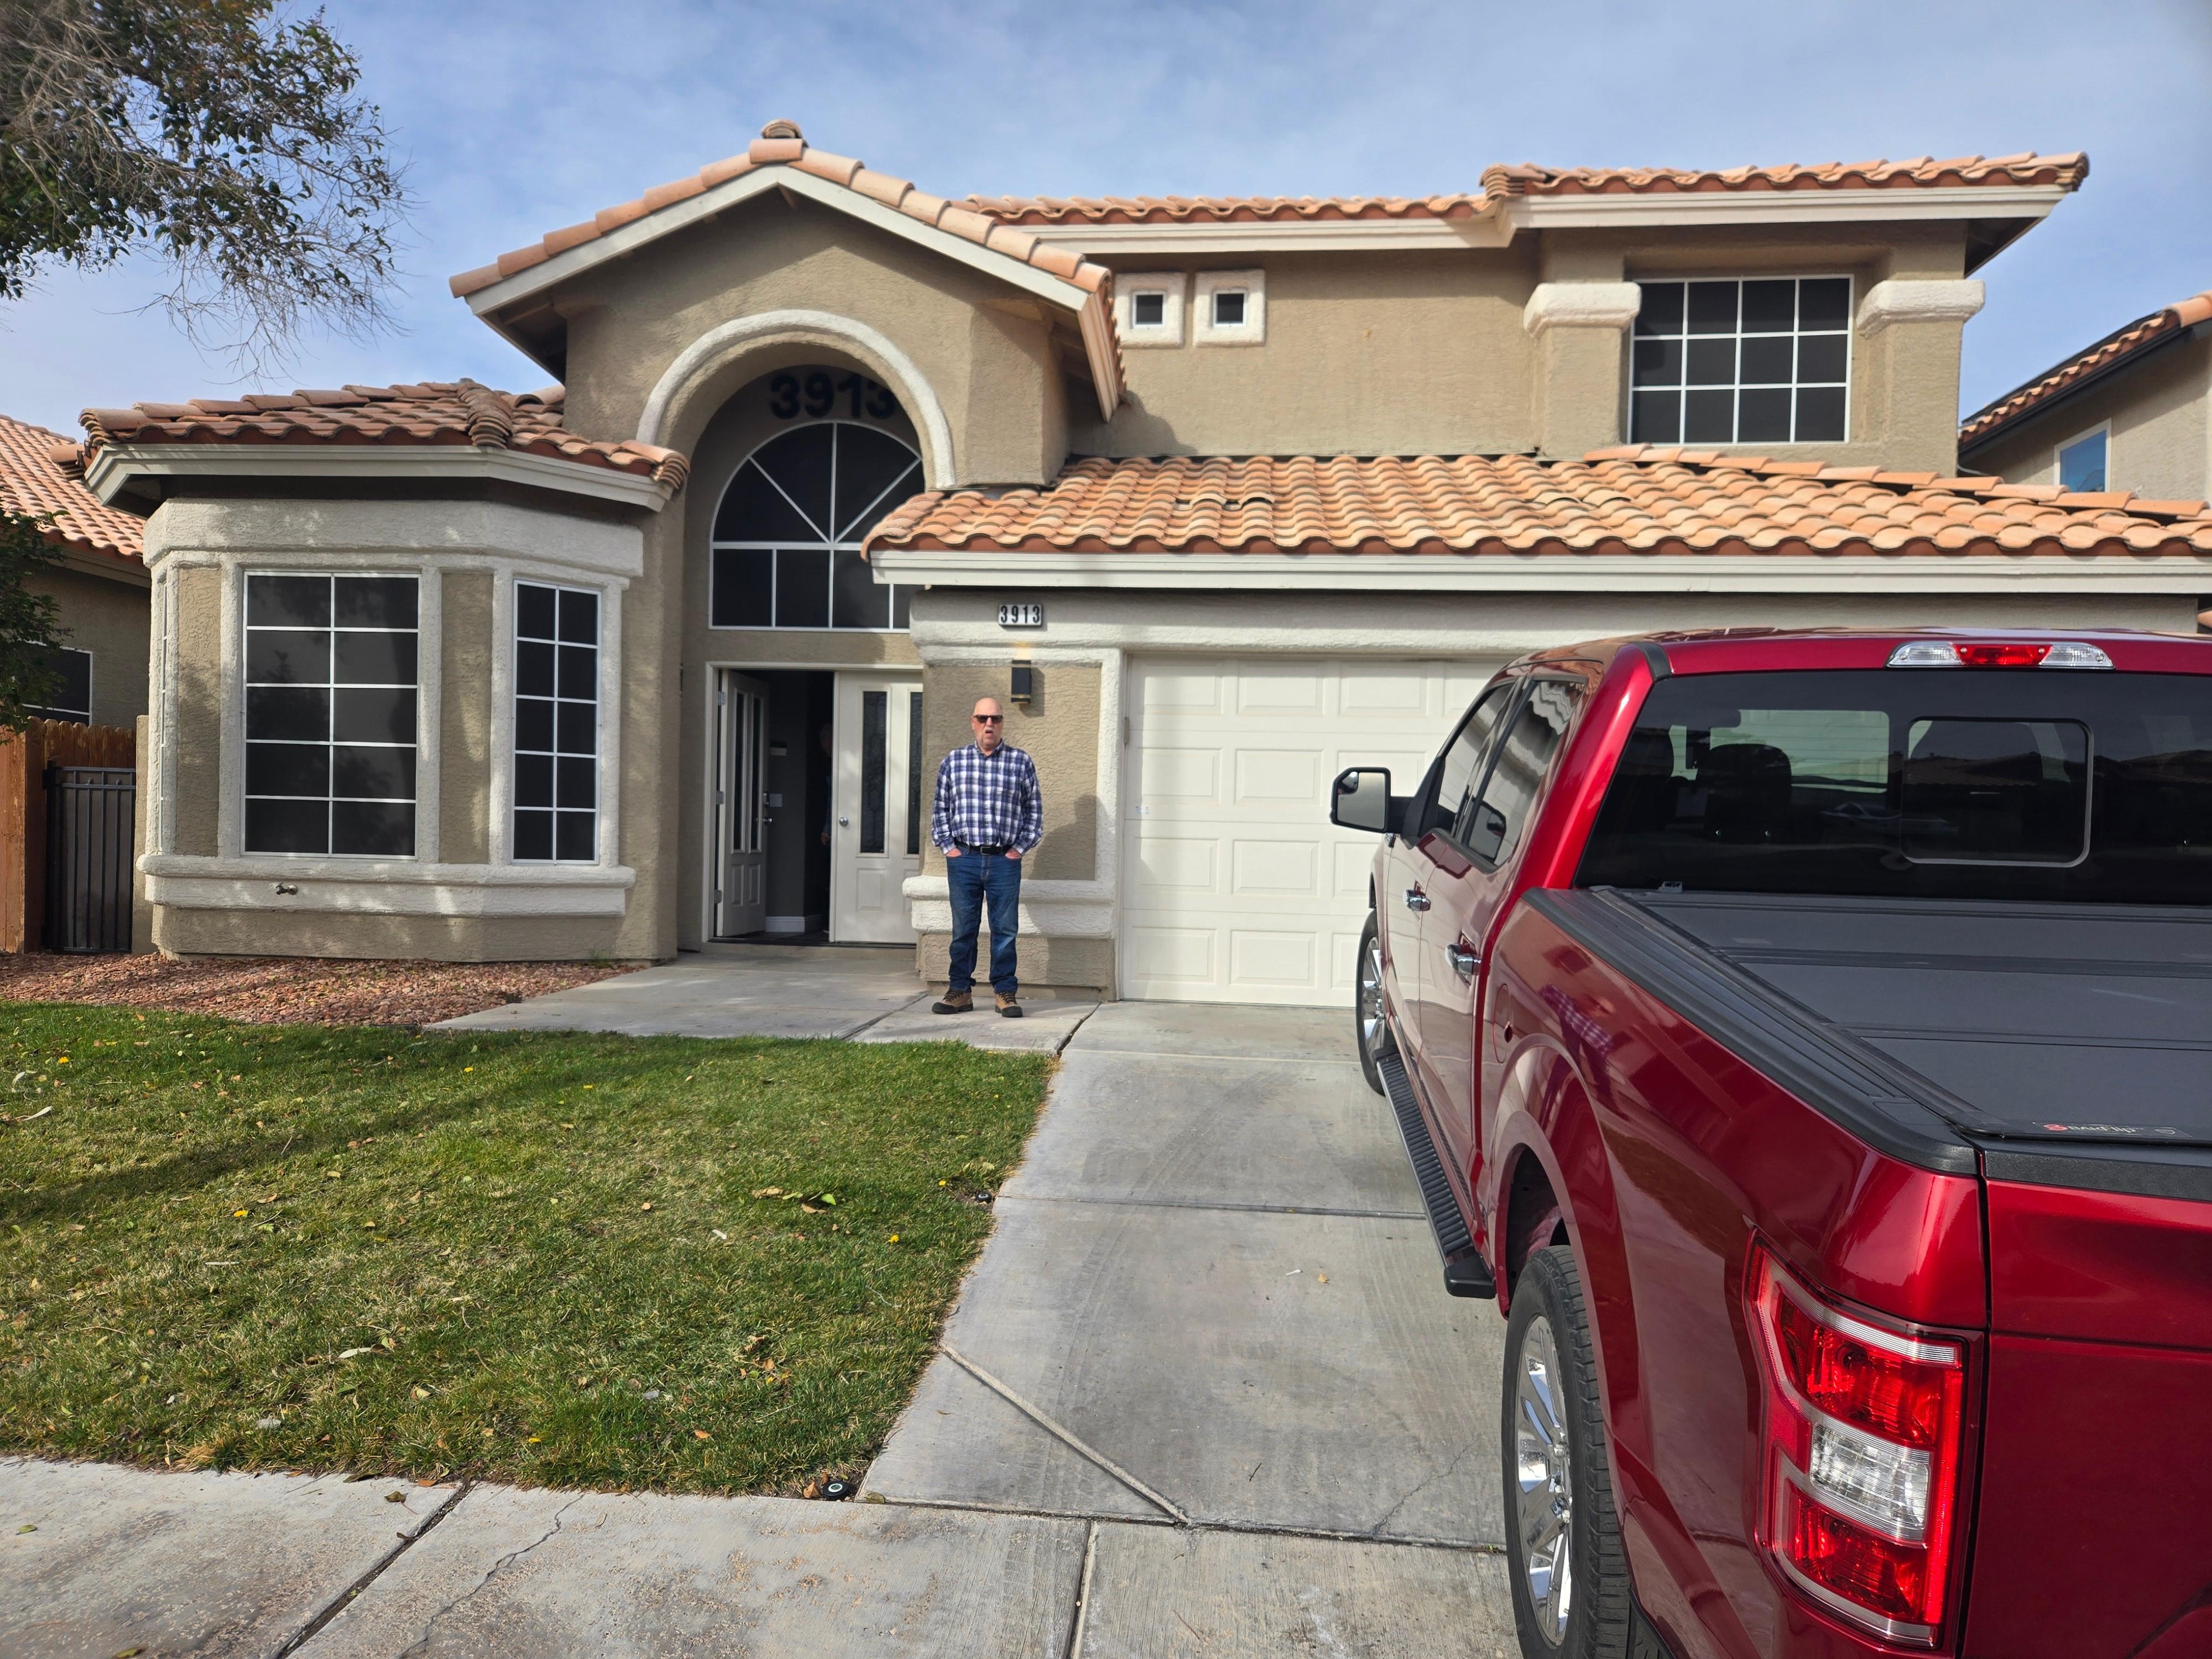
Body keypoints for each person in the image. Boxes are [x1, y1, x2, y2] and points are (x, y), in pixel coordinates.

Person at [930, 696, 1042, 1017]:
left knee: (1005, 930)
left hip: (1004, 861)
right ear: (973, 722)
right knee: (963, 929)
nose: (989, 724)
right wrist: (949, 848)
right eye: (982, 718)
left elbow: (1034, 811)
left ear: (1002, 723)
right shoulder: (954, 761)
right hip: (963, 858)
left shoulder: (1020, 762)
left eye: (995, 719)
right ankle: (960, 991)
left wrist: (1018, 849)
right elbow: (940, 809)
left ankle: (1005, 992)